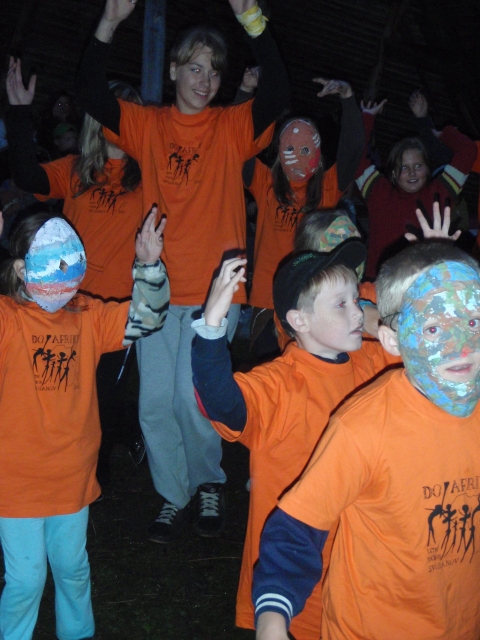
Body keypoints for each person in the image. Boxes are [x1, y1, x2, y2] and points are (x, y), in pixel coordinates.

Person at [75, 0, 290, 542]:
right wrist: (109, 22)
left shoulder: (231, 127)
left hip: (214, 290)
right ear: (173, 70)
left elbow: (277, 94)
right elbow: (91, 94)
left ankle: (209, 481)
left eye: (214, 71)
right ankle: (174, 495)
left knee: (189, 402)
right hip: (157, 289)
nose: (205, 81)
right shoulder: (147, 126)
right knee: (154, 405)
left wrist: (253, 21)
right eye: (194, 67)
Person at [253, 240, 480, 640]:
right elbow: (296, 530)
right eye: (432, 328)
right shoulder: (362, 428)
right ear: (392, 341)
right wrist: (272, 623)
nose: (460, 344)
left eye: (473, 321)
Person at [191, 244, 401, 639]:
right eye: (341, 304)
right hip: (296, 575)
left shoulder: (372, 362)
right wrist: (213, 327)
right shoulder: (280, 384)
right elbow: (221, 402)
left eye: (355, 299)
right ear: (299, 320)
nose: (357, 312)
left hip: (364, 571)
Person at [0, 206, 169, 640]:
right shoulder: (8, 320)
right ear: (20, 270)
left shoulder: (86, 314)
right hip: (16, 482)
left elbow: (148, 318)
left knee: (73, 567)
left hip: (72, 475)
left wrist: (149, 265)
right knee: (25, 580)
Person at [6, 58, 148, 485]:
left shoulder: (149, 180)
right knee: (71, 388)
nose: (119, 123)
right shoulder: (77, 170)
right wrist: (19, 113)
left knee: (103, 390)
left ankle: (96, 470)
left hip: (117, 309)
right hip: (68, 302)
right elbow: (27, 175)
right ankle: (115, 438)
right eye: (112, 114)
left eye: (128, 115)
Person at [246, 78, 364, 352]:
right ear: (279, 154)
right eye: (289, 149)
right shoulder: (265, 183)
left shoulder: (328, 187)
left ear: (318, 155)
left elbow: (352, 149)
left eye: (305, 150)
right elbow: (238, 144)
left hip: (311, 302)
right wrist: (248, 92)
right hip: (265, 301)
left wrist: (348, 99)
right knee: (268, 372)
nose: (297, 156)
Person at [356, 98, 477, 278]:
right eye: (404, 167)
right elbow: (356, 159)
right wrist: (367, 117)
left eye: (418, 166)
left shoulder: (441, 192)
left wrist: (437, 133)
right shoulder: (377, 192)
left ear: (428, 169)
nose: (412, 173)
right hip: (377, 287)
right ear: (394, 173)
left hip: (425, 287)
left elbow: (468, 151)